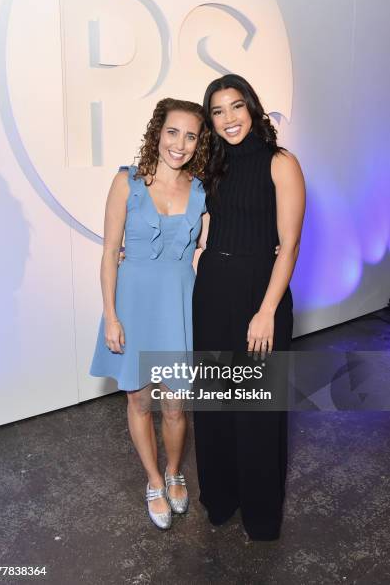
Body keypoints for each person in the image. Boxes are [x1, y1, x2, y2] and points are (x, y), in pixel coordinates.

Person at [193, 74, 306, 540]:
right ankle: (221, 499)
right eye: (217, 112)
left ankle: (260, 515)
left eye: (236, 107)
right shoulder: (212, 167)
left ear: (252, 108)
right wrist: (200, 249)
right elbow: (207, 217)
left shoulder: (281, 162)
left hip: (261, 294)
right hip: (214, 293)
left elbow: (291, 243)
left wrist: (266, 312)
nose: (228, 119)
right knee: (216, 405)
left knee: (258, 410)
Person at [90, 98, 208, 529]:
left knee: (176, 406)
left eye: (191, 135)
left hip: (178, 306)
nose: (180, 143)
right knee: (139, 399)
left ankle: (176, 472)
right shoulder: (127, 182)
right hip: (132, 305)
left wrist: (268, 245)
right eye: (173, 132)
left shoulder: (200, 190)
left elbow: (218, 243)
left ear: (199, 143)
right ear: (157, 132)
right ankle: (154, 479)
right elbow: (108, 252)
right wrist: (110, 315)